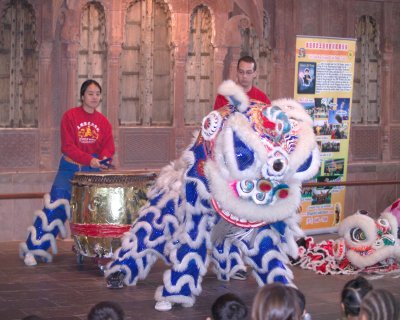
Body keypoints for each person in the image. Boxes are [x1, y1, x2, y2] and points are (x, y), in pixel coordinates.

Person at [20, 79, 115, 266]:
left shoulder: (103, 122)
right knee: (54, 208)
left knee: (92, 211)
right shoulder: (70, 117)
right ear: (82, 96)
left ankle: (95, 252)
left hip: (91, 171)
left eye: (97, 94)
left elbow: (108, 147)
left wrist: (103, 160)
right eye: (90, 93)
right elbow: (68, 147)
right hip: (69, 169)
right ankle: (33, 250)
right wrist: (90, 159)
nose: (94, 97)